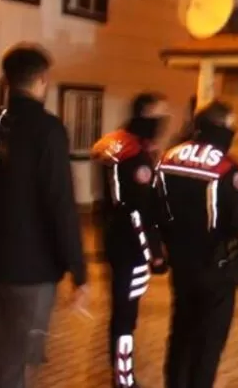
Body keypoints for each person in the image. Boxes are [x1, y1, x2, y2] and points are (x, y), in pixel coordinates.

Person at [0, 43, 89, 387]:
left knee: (2, 352)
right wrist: (79, 271)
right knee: (22, 358)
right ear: (42, 80)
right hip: (33, 271)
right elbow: (60, 204)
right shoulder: (48, 131)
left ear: (7, 80)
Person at [155, 100, 238, 388]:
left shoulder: (169, 158)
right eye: (231, 126)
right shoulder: (226, 168)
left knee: (180, 336)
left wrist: (160, 250)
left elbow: (155, 211)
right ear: (221, 128)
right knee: (208, 345)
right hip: (217, 270)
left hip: (181, 266)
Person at [91, 92, 170, 388]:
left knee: (121, 312)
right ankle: (124, 379)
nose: (164, 122)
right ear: (147, 115)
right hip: (131, 246)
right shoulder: (135, 156)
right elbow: (138, 211)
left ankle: (119, 372)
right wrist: (154, 253)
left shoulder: (115, 145)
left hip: (112, 239)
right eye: (159, 115)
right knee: (126, 316)